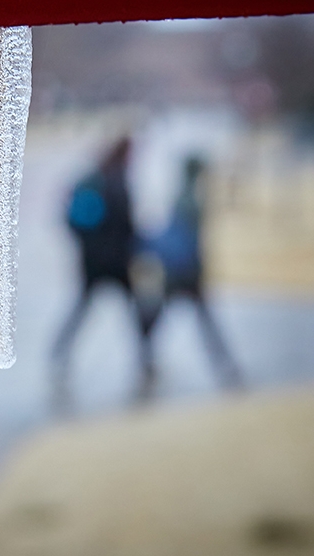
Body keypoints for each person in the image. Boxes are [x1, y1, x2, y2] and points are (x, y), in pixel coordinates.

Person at [133, 156, 243, 398]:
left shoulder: (183, 198)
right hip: (187, 272)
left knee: (166, 320)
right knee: (203, 323)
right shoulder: (191, 200)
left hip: (177, 272)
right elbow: (189, 242)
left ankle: (147, 363)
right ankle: (225, 366)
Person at [51, 136, 135, 412]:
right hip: (116, 261)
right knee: (135, 309)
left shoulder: (94, 178)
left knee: (83, 308)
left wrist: (87, 246)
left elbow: (73, 222)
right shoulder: (116, 180)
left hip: (92, 259)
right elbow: (126, 223)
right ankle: (147, 356)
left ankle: (59, 351)